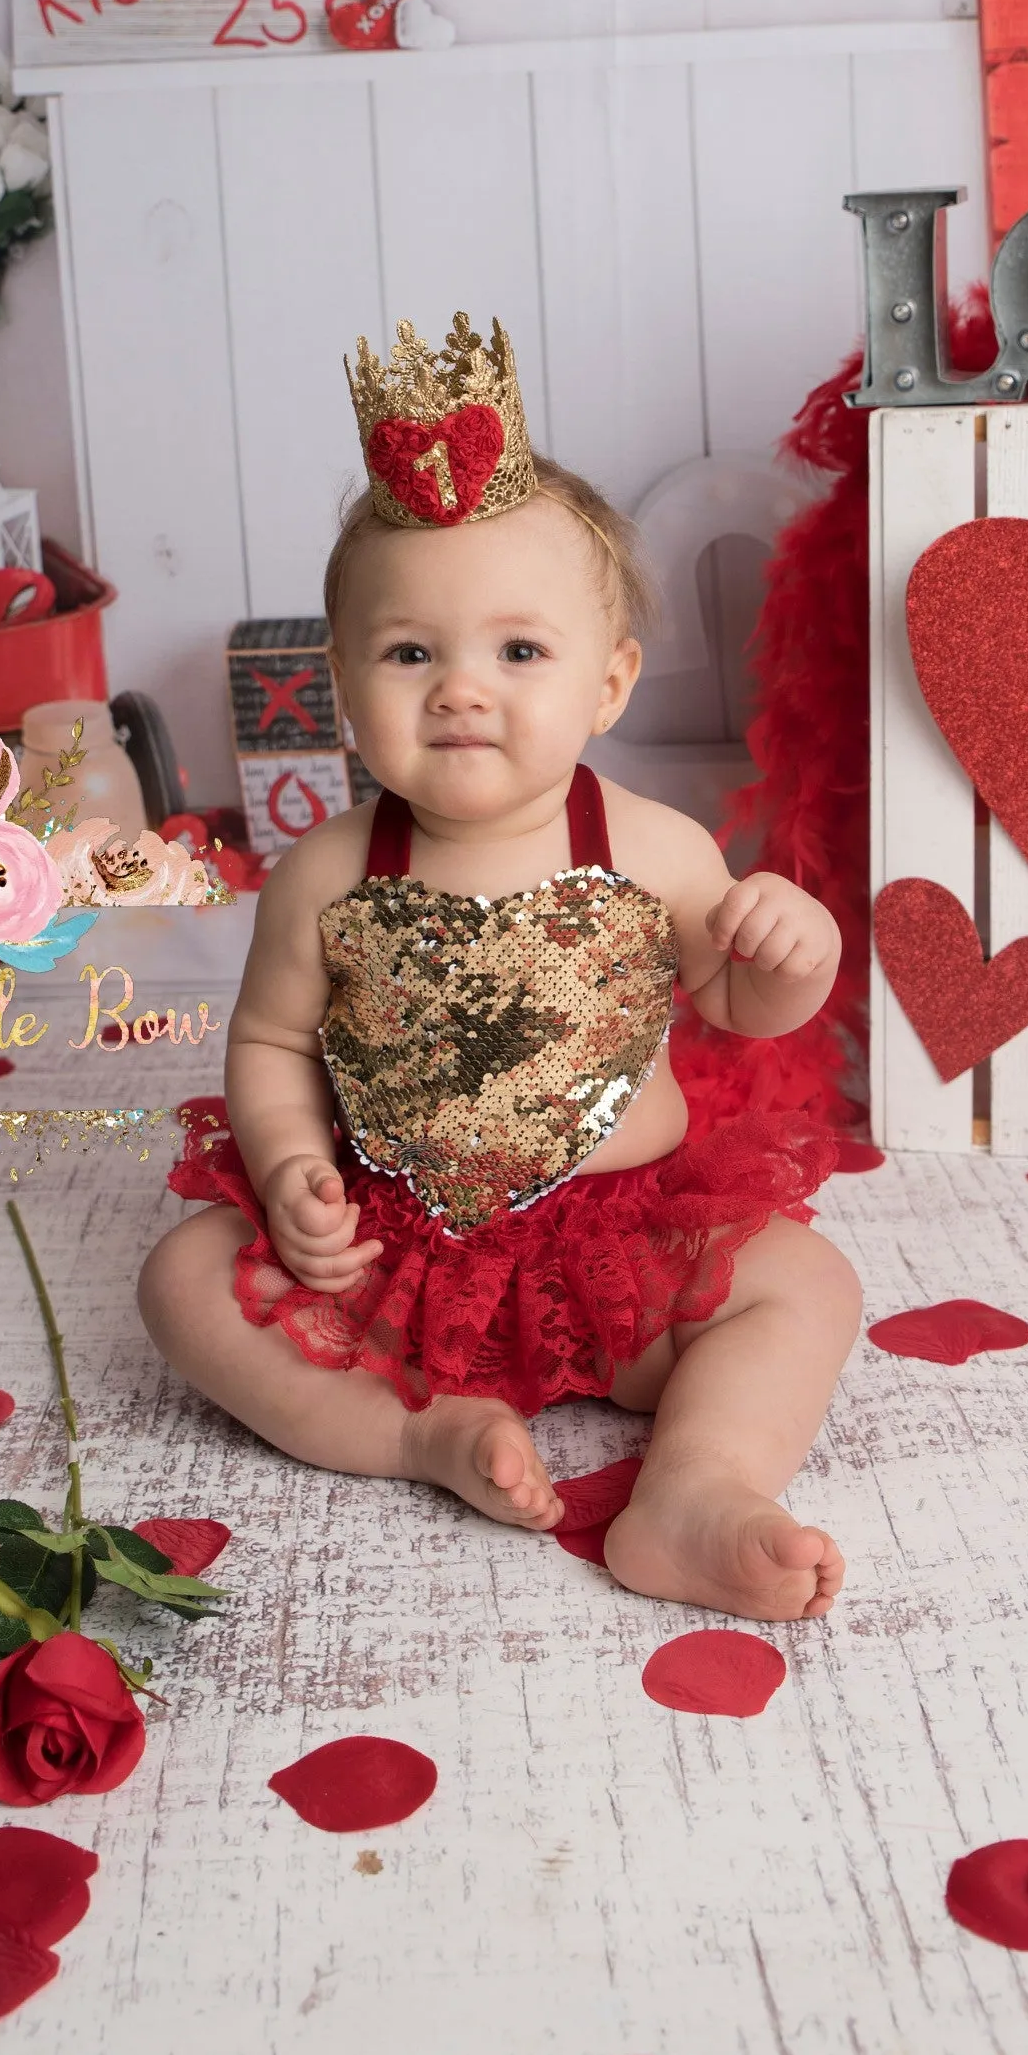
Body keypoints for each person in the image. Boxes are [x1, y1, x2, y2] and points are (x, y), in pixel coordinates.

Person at [140, 314, 860, 1621]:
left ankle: (695, 1486)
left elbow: (738, 1005)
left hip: (620, 1256)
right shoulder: (329, 873)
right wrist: (294, 1168)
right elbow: (270, 1046)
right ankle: (419, 1436)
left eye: (519, 651)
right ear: (348, 689)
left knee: (805, 1284)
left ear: (610, 683)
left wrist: (790, 953)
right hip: (392, 1266)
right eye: (411, 652)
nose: (462, 690)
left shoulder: (654, 848)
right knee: (185, 1281)